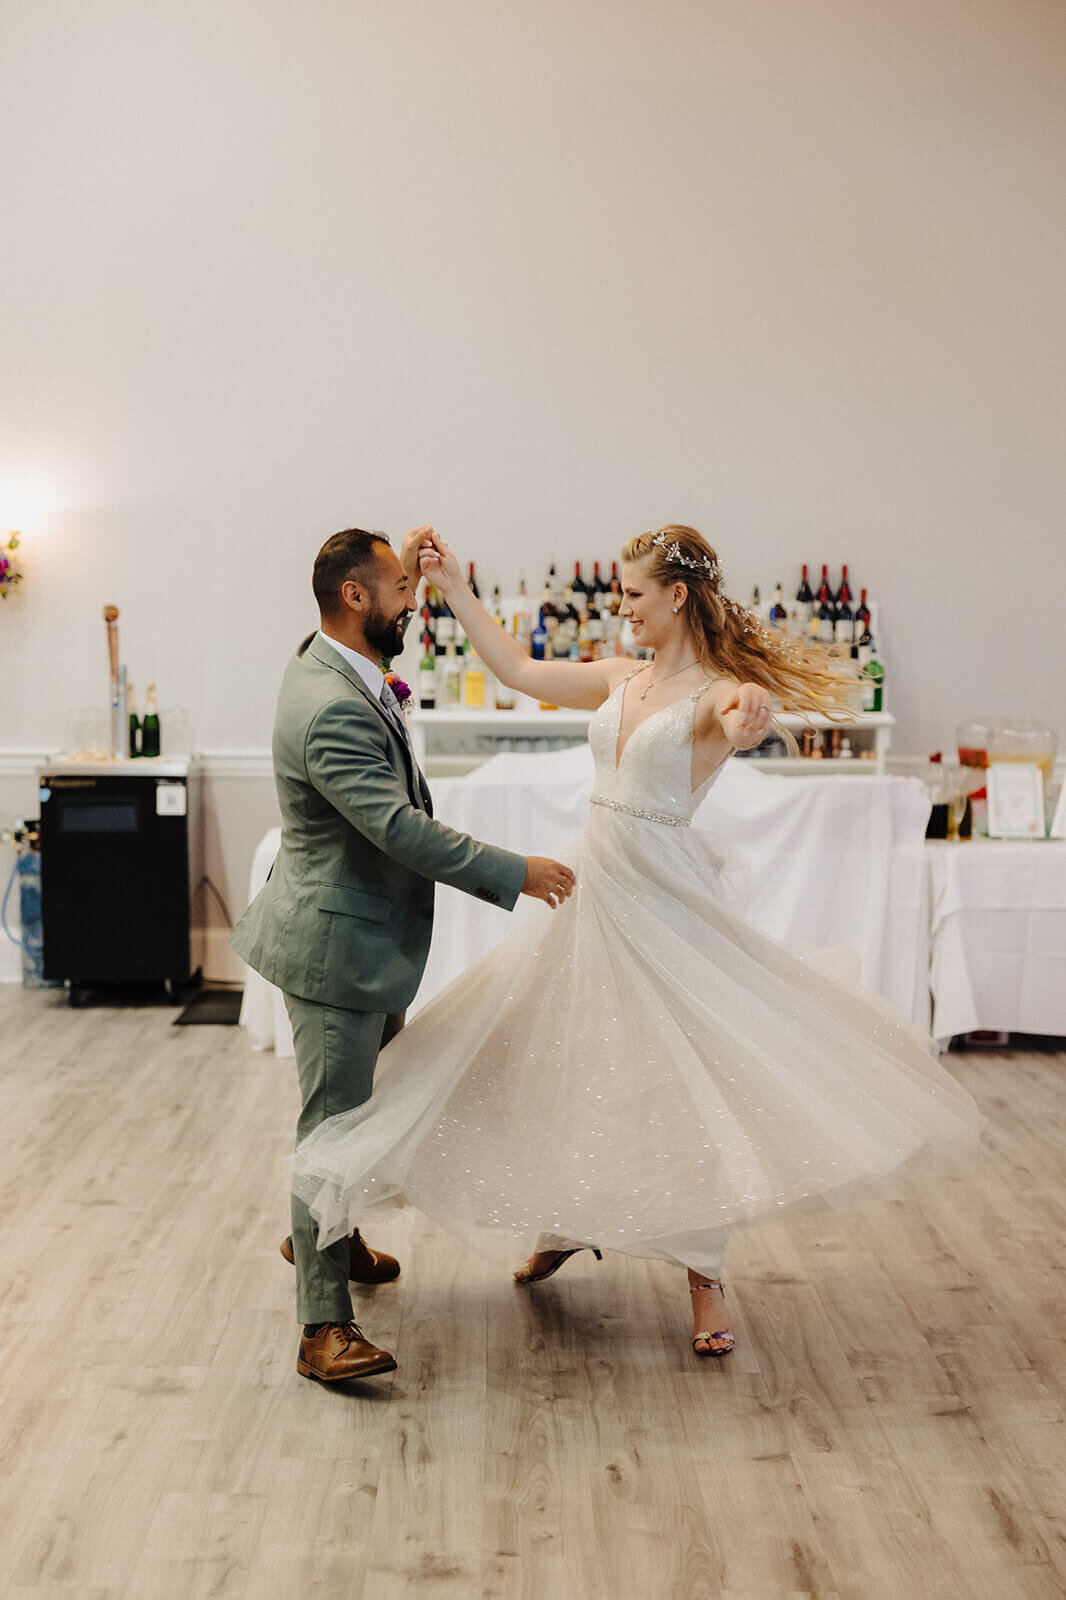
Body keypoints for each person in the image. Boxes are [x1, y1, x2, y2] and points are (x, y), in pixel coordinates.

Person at [290, 525, 985, 1361]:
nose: (621, 607)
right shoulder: (622, 678)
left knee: (676, 1082)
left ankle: (704, 1281)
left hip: (663, 901)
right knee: (550, 1056)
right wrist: (455, 584)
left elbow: (742, 716)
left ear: (677, 598)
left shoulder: (719, 693)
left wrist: (750, 711)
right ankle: (558, 1219)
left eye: (632, 594)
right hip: (591, 889)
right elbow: (516, 670)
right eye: (618, 591)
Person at [232, 526, 576, 1384]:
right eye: (397, 589)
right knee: (333, 1129)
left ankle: (333, 1241)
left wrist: (407, 554)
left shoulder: (328, 660)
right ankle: (321, 1329)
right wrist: (514, 872)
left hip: (364, 939)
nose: (410, 603)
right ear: (355, 597)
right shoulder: (332, 706)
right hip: (335, 948)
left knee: (369, 1113)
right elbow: (395, 828)